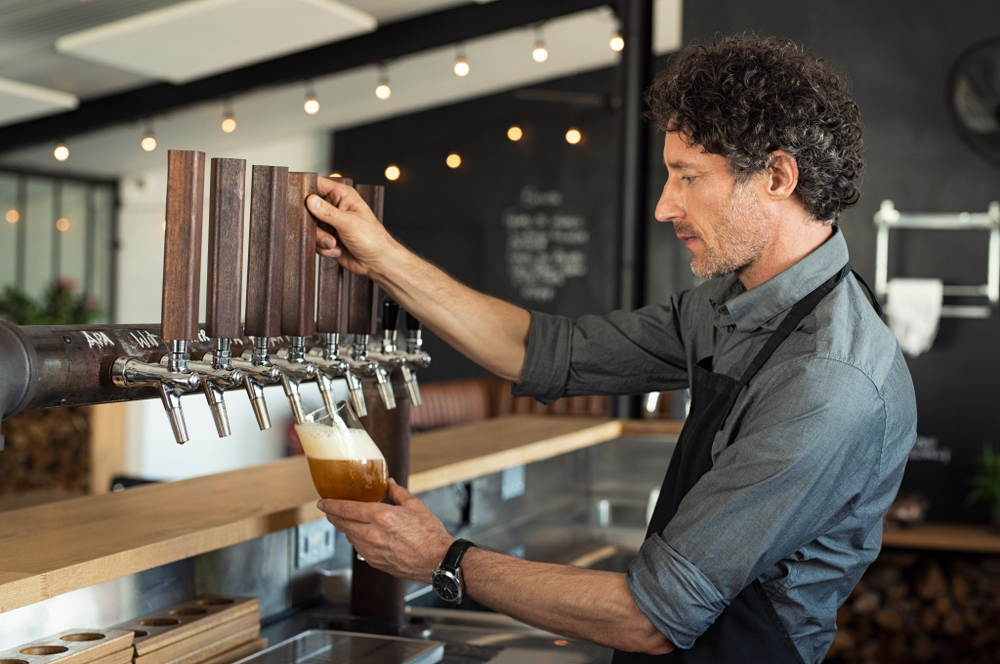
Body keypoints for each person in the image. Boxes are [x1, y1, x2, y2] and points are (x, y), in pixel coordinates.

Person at [307, 34, 917, 663]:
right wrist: (381, 258)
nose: (664, 206)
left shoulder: (828, 379)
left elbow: (653, 616)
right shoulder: (730, 305)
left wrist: (443, 558)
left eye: (688, 177)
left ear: (778, 176)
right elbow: (547, 352)